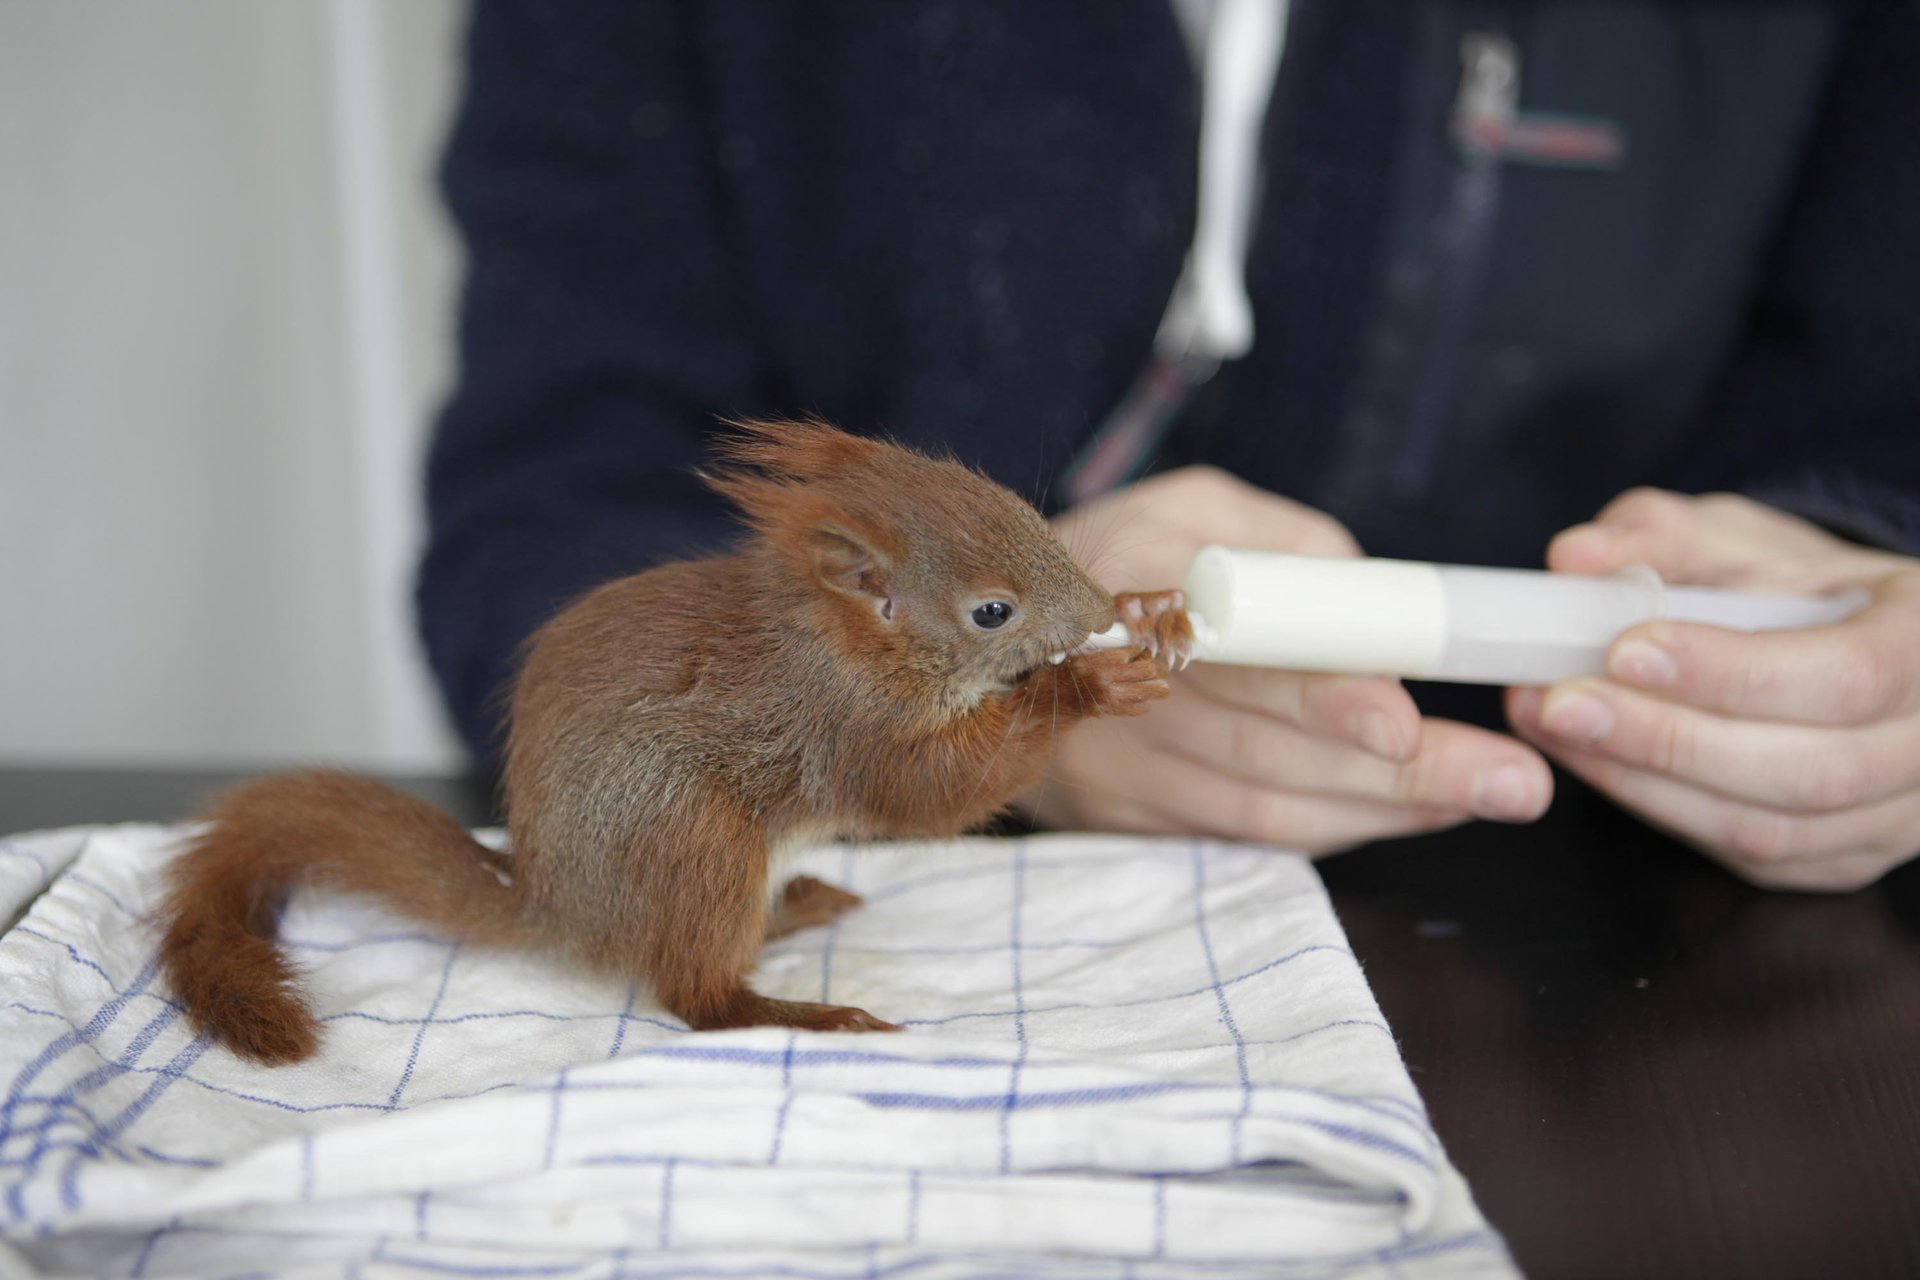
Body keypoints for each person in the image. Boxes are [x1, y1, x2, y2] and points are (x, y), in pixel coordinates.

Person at [417, 1, 1920, 891]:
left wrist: (1869, 597)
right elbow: (545, 525)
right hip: (922, 936)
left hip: (1638, 963)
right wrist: (954, 730)